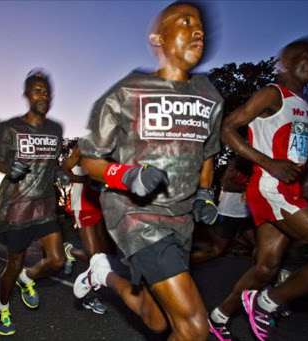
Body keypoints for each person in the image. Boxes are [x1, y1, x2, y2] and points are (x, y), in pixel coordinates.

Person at [73, 2, 222, 340]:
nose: (198, 31)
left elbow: (208, 153)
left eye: (200, 25)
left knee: (156, 319)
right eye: (186, 22)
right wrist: (126, 176)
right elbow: (88, 157)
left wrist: (205, 192)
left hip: (182, 219)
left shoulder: (209, 95)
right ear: (158, 37)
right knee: (194, 327)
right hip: (135, 214)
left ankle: (104, 275)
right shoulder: (128, 91)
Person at [208, 39, 308, 341]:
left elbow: (300, 155)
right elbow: (227, 128)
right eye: (306, 55)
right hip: (272, 188)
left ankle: (218, 316)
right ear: (285, 60)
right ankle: (268, 302)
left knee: (266, 267)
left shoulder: (305, 109)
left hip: (287, 188)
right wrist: (267, 163)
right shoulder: (273, 94)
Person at [0, 69, 66, 336]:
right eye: (37, 90)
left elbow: (52, 163)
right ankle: (2, 307)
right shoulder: (11, 127)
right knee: (13, 264)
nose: (43, 95)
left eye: (46, 91)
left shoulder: (56, 129)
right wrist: (9, 166)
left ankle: (28, 277)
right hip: (18, 207)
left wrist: (59, 173)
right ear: (26, 94)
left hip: (45, 206)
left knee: (57, 260)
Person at [61, 144, 115, 314]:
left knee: (108, 256)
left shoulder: (110, 149)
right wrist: (84, 180)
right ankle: (90, 298)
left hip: (101, 204)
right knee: (95, 258)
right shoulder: (82, 147)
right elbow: (63, 170)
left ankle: (71, 251)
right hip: (82, 204)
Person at [191, 156, 255, 264]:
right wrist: (249, 188)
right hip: (228, 213)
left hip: (245, 213)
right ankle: (182, 266)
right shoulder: (237, 162)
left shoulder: (256, 163)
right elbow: (225, 185)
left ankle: (262, 275)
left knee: (258, 246)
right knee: (216, 250)